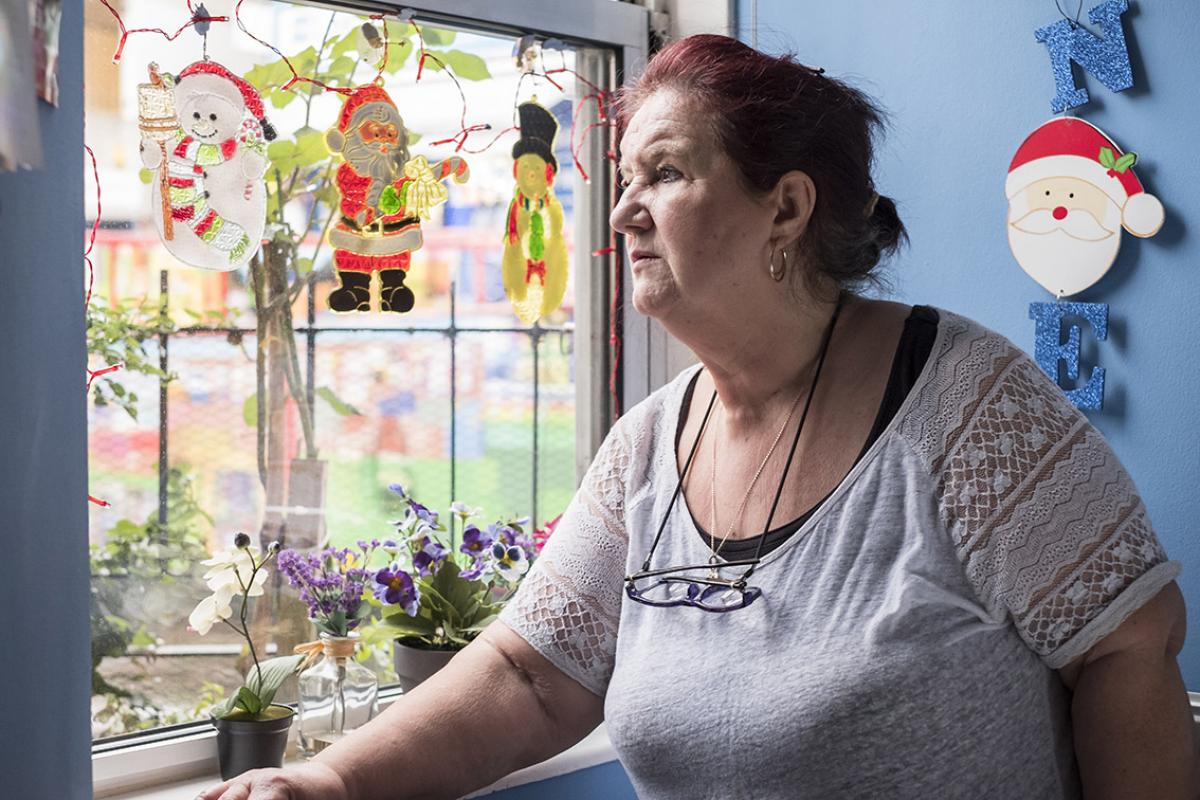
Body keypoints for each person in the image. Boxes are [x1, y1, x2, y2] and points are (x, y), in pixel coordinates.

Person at [198, 34, 1193, 800]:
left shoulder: (967, 407)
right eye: (625, 178)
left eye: (665, 174)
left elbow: (1130, 647)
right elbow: (529, 672)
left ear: (786, 209)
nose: (625, 209)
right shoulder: (647, 445)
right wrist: (329, 778)